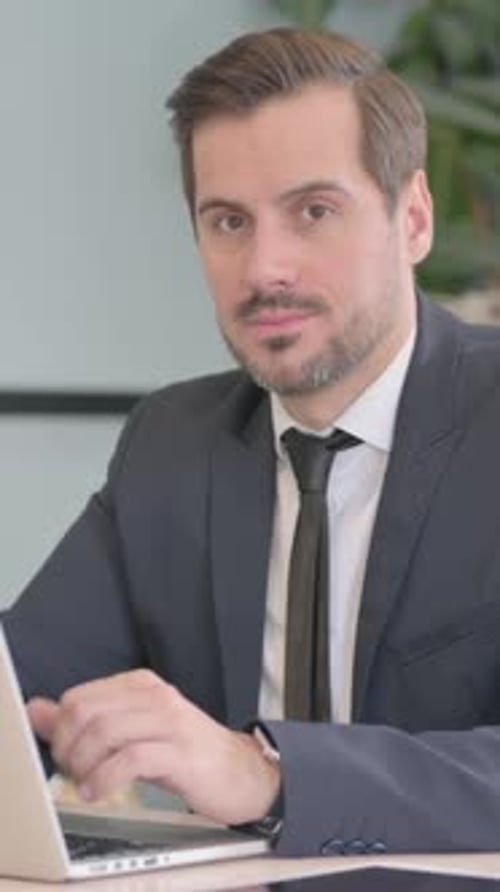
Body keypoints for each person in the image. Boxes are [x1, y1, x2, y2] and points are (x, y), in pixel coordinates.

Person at [5, 26, 500, 858]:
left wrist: (268, 775)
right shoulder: (175, 443)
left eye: (313, 212)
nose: (265, 267)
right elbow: (23, 691)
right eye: (228, 221)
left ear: (412, 219)